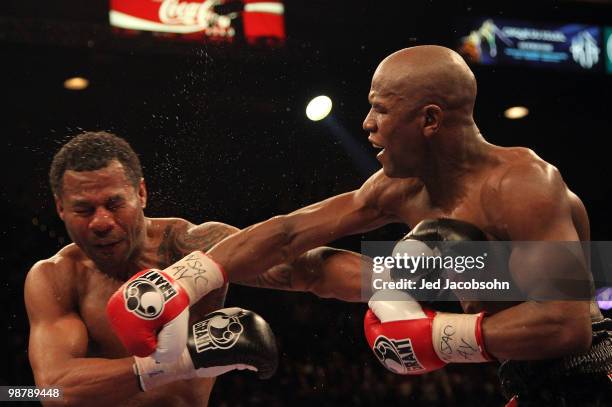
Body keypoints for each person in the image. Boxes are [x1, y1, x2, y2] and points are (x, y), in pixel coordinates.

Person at [108, 45, 611, 405]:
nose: (367, 123)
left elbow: (566, 328)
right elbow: (289, 233)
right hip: (525, 379)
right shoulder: (401, 187)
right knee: (324, 266)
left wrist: (440, 337)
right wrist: (186, 278)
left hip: (593, 373)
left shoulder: (524, 186)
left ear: (430, 120)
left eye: (381, 109)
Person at [25, 132, 282, 406]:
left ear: (141, 193)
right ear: (61, 208)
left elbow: (299, 256)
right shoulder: (56, 277)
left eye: (114, 204)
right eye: (84, 210)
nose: (101, 222)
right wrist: (187, 358)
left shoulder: (196, 247)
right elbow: (51, 391)